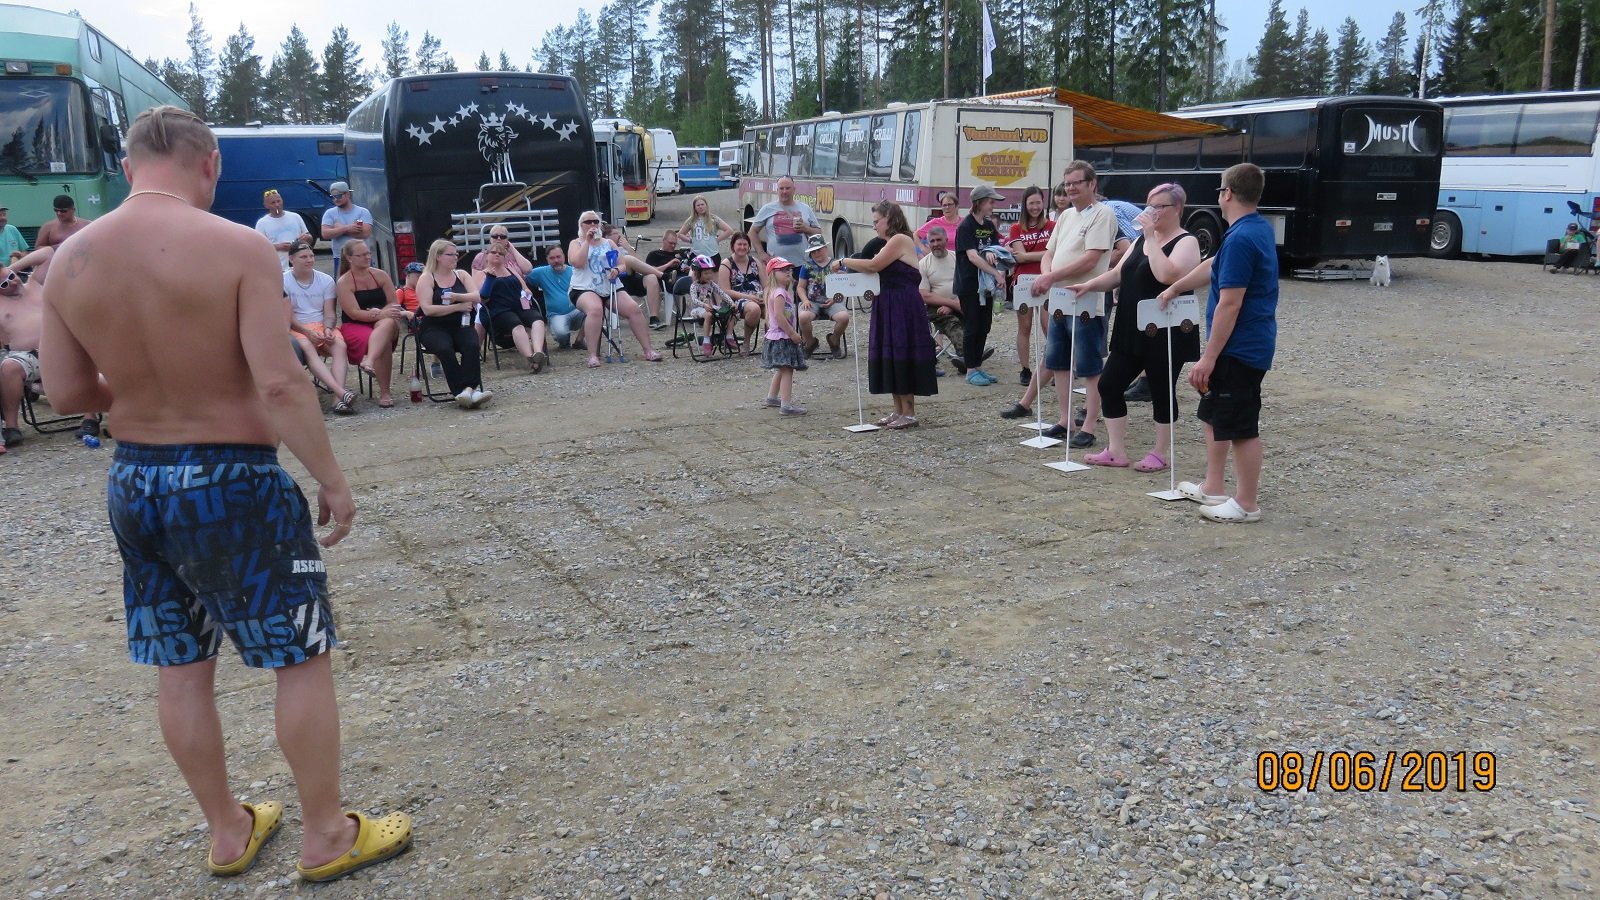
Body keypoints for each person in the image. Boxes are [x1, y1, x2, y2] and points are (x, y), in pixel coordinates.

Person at [37, 105, 411, 883]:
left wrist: (147, 389)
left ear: (129, 166)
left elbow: (68, 392)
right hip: (232, 479)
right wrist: (331, 478)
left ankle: (227, 831)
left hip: (136, 480)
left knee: (180, 664)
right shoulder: (237, 246)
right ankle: (325, 835)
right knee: (299, 658)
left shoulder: (71, 258)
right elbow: (279, 382)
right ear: (209, 163)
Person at [1158, 163, 1279, 523]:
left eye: (1220, 190)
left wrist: (1208, 357)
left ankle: (1246, 504)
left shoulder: (1242, 237)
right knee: (1213, 414)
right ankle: (1213, 486)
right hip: (1240, 345)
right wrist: (1176, 287)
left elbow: (1230, 303)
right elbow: (1214, 265)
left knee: (1240, 426)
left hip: (1240, 348)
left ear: (1227, 194)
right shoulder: (1251, 228)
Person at [1064, 183, 1202, 472]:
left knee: (1161, 389)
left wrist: (1151, 236)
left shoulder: (1186, 242)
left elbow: (1166, 275)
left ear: (1177, 208)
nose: (1151, 212)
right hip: (1131, 325)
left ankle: (1160, 452)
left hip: (1165, 328)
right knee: (1109, 384)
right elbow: (1117, 274)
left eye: (1159, 207)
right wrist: (1089, 285)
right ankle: (1116, 450)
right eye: (1149, 205)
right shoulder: (1140, 241)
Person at [1011, 161, 1116, 446]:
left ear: (1091, 184)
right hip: (1058, 299)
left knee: (1089, 365)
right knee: (1058, 362)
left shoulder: (1103, 214)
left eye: (1076, 183)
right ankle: (1065, 420)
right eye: (1067, 183)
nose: (1070, 188)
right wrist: (1047, 275)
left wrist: (1051, 276)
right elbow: (1050, 252)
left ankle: (1089, 426)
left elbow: (1091, 258)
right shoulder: (1067, 216)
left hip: (1086, 300)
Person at [836, 199, 936, 429]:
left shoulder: (900, 239)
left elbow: (873, 265)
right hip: (887, 303)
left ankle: (908, 413)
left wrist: (842, 261)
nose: (874, 226)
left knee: (903, 352)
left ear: (889, 219)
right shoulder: (886, 243)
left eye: (876, 221)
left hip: (903, 305)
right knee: (890, 353)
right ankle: (898, 409)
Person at [566, 210, 663, 367]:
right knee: (595, 309)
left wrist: (617, 270)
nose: (592, 224)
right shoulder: (575, 243)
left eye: (595, 221)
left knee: (634, 309)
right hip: (583, 287)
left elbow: (622, 263)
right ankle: (592, 356)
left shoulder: (608, 243)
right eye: (588, 222)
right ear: (581, 225)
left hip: (609, 285)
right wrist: (587, 242)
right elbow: (577, 263)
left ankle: (648, 350)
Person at [415, 238, 492, 407]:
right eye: (450, 254)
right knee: (444, 349)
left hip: (461, 324)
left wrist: (456, 297)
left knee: (472, 345)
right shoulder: (427, 278)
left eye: (456, 254)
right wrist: (457, 307)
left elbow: (477, 296)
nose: (455, 257)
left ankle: (468, 391)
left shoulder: (461, 275)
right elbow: (427, 309)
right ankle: (461, 391)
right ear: (438, 257)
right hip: (434, 327)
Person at [283, 241, 356, 413]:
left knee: (340, 346)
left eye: (311, 256)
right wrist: (307, 332)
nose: (309, 260)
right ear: (292, 259)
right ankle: (340, 392)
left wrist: (328, 329)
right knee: (308, 348)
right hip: (297, 327)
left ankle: (337, 400)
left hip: (320, 325)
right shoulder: (283, 280)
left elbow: (330, 313)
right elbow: (287, 317)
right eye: (303, 257)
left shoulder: (326, 280)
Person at [334, 242, 404, 408]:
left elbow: (393, 302)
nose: (367, 257)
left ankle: (369, 360)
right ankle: (385, 392)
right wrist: (380, 314)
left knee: (387, 325)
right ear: (349, 258)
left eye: (368, 253)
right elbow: (353, 313)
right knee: (383, 339)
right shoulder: (344, 282)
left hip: (384, 320)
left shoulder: (380, 275)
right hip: (356, 324)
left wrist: (382, 314)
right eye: (362, 255)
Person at [954, 184, 1005, 386]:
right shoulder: (966, 226)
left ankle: (977, 366)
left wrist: (999, 268)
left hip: (987, 285)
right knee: (972, 325)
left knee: (984, 326)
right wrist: (995, 272)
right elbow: (973, 256)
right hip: (969, 284)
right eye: (991, 202)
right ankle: (970, 370)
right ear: (979, 202)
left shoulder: (989, 225)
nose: (993, 205)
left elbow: (997, 250)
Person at [1007, 186, 1054, 386]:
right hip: (1023, 281)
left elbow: (1055, 252)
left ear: (1043, 203)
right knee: (1024, 327)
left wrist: (1028, 256)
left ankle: (1054, 366)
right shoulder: (1016, 228)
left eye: (1038, 202)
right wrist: (1044, 254)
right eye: (1031, 203)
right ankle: (1025, 369)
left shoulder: (1052, 226)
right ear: (1025, 205)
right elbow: (1019, 256)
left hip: (1047, 279)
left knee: (1048, 325)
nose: (1035, 207)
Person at [476, 245, 548, 372]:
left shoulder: (511, 270)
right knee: (516, 324)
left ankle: (538, 352)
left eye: (501, 253)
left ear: (505, 258)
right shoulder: (481, 274)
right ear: (486, 255)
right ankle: (530, 358)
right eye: (493, 252)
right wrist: (490, 279)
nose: (497, 255)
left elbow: (525, 288)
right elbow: (482, 298)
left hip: (518, 307)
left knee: (537, 319)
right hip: (496, 311)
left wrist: (527, 292)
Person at [916, 228, 976, 373]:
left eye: (939, 240)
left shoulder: (958, 258)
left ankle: (975, 352)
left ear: (946, 240)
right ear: (928, 243)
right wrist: (952, 304)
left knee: (978, 317)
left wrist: (955, 303)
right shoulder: (923, 264)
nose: (936, 244)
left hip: (961, 300)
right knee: (952, 322)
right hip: (935, 307)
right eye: (932, 241)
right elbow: (925, 295)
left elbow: (968, 283)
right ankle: (967, 356)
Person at [760, 257, 808, 414]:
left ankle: (772, 397)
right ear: (773, 274)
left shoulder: (775, 291)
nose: (788, 272)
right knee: (787, 369)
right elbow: (779, 316)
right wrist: (792, 333)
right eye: (782, 270)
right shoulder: (780, 293)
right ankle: (786, 405)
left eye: (788, 269)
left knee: (781, 368)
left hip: (776, 336)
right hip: (782, 337)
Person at [604, 223, 673, 329]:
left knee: (651, 277)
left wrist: (629, 248)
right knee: (627, 259)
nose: (619, 235)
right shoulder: (604, 247)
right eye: (615, 233)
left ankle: (653, 318)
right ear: (607, 237)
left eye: (619, 233)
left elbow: (641, 265)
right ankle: (663, 275)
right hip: (616, 280)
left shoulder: (624, 248)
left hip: (632, 278)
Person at [794, 234, 851, 359]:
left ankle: (834, 339)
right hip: (812, 301)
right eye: (813, 251)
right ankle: (810, 342)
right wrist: (804, 300)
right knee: (803, 317)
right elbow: (800, 287)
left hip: (833, 300)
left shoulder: (836, 264)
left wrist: (835, 299)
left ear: (825, 248)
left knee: (844, 317)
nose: (816, 253)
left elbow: (845, 286)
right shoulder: (807, 266)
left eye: (819, 249)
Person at [751, 175, 821, 268]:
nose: (784, 191)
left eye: (788, 188)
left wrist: (806, 229)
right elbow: (752, 232)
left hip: (802, 264)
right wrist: (761, 253)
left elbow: (819, 232)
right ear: (777, 190)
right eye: (781, 188)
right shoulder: (767, 209)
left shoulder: (805, 208)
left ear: (794, 189)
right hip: (777, 266)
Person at [527, 245, 585, 351]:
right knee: (561, 334)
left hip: (577, 311)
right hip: (556, 314)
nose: (556, 260)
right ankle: (564, 341)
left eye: (558, 257)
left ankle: (579, 340)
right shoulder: (540, 273)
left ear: (564, 256)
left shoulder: (574, 271)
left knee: (594, 312)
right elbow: (522, 276)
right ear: (547, 259)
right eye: (552, 258)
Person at [718, 231, 764, 353]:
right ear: (733, 246)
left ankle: (771, 343)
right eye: (739, 244)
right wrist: (748, 297)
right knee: (754, 309)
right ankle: (746, 342)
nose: (742, 247)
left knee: (774, 308)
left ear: (749, 246)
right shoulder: (726, 264)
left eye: (745, 244)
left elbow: (767, 285)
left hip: (757, 297)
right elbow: (725, 291)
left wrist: (766, 296)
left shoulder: (755, 262)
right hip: (736, 300)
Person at [686, 254, 739, 356]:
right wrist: (704, 305)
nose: (709, 275)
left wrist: (731, 303)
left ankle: (728, 336)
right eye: (706, 273)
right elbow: (694, 300)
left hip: (710, 307)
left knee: (733, 312)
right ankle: (706, 341)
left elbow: (722, 293)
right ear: (697, 273)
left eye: (710, 272)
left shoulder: (711, 284)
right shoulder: (694, 286)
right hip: (698, 309)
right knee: (709, 314)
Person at [34, 194, 92, 283]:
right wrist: (59, 247)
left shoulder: (86, 225)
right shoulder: (48, 227)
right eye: (56, 210)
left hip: (82, 268)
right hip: (57, 269)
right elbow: (38, 249)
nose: (59, 213)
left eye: (63, 211)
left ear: (73, 210)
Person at [319, 181, 372, 278]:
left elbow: (365, 233)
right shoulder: (329, 213)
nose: (335, 199)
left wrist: (338, 229)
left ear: (348, 194)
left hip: (362, 257)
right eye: (333, 197)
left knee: (366, 283)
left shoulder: (362, 212)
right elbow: (325, 234)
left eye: (338, 196)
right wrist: (348, 228)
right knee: (343, 284)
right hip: (340, 258)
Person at [255, 189, 312, 270]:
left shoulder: (295, 217)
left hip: (298, 265)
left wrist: (307, 238)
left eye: (278, 201)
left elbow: (308, 237)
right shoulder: (262, 223)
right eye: (273, 203)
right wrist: (278, 247)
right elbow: (259, 247)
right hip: (278, 267)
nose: (277, 205)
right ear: (266, 205)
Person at [678, 195, 734, 264]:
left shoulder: (713, 219)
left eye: (702, 204)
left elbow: (729, 230)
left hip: (712, 254)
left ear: (706, 206)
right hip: (697, 254)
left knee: (714, 270)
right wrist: (690, 240)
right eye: (698, 205)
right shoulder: (691, 220)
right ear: (694, 208)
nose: (700, 207)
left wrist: (717, 240)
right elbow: (680, 234)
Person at [469, 226, 535, 277]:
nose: (499, 238)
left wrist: (512, 249)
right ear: (490, 239)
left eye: (502, 236)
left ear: (507, 240)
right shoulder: (481, 256)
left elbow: (528, 270)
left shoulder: (513, 255)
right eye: (495, 236)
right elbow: (475, 279)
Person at [914, 192, 962, 256]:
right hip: (941, 259)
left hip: (961, 259)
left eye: (950, 204)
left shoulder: (964, 222)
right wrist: (923, 249)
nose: (947, 207)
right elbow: (916, 235)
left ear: (957, 206)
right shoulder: (936, 222)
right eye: (944, 205)